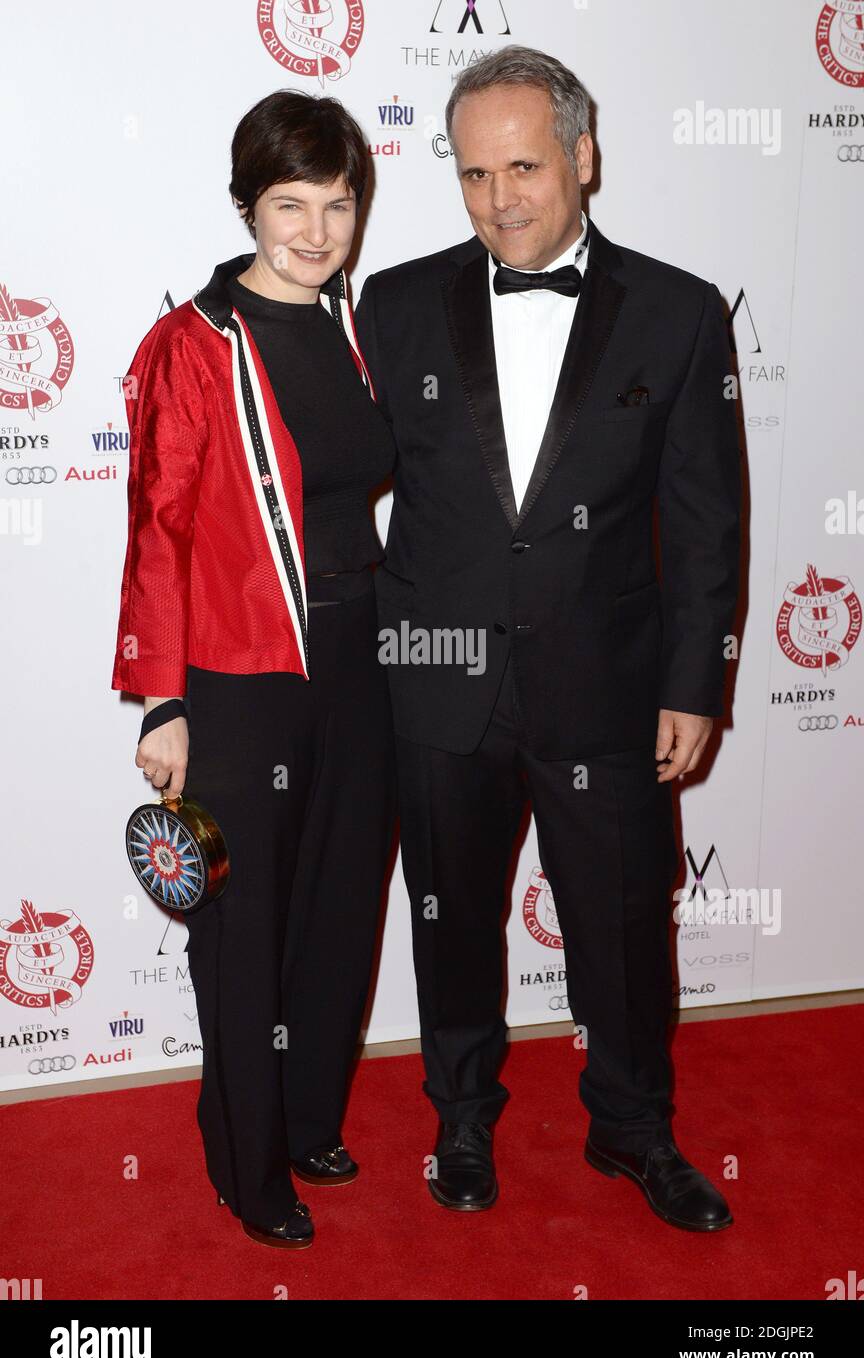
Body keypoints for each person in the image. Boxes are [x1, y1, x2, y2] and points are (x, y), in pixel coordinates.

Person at [355, 46, 740, 1231]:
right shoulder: (398, 301)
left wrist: (695, 682)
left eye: (522, 166)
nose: (498, 200)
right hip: (439, 682)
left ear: (583, 157)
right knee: (452, 915)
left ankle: (632, 1129)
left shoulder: (675, 313)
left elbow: (706, 518)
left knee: (623, 926)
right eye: (473, 174)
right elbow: (338, 479)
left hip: (607, 684)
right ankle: (461, 1116)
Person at [111, 90, 396, 1249]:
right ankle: (245, 1160)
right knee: (242, 920)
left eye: (338, 205)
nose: (317, 232)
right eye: (292, 204)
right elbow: (157, 529)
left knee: (339, 899)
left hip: (361, 657)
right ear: (247, 203)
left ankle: (310, 1118)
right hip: (237, 671)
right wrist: (164, 696)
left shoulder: (352, 327)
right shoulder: (194, 343)